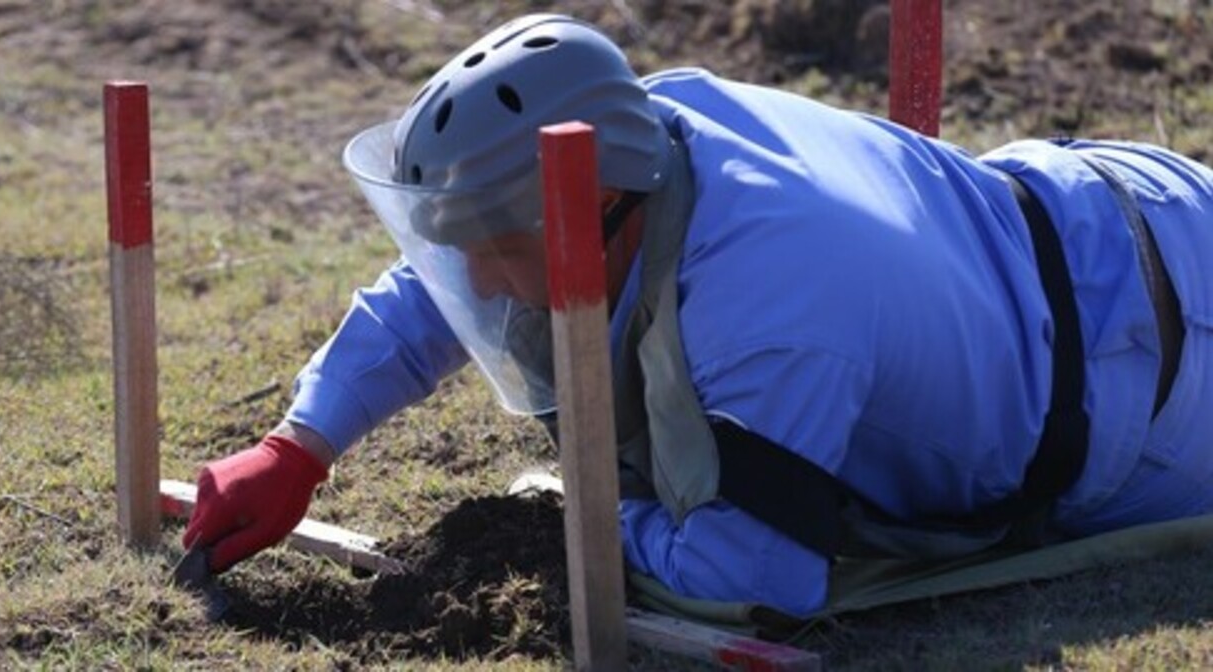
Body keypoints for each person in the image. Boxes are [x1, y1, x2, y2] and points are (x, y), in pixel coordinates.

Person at [182, 13, 1213, 618]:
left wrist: (562, 528)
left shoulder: (774, 308)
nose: (483, 287)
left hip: (1164, 369)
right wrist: (302, 439)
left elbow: (758, 577)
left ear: (601, 209)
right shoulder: (646, 128)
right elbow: (442, 283)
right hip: (1092, 218)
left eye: (500, 251)